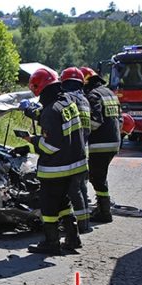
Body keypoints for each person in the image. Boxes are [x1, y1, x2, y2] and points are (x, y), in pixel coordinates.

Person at [21, 68, 87, 255]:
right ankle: (73, 239)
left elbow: (50, 146)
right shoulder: (68, 103)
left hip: (56, 169)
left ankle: (51, 243)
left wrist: (32, 139)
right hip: (74, 165)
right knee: (64, 203)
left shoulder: (50, 111)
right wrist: (36, 115)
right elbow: (61, 129)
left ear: (38, 87)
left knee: (49, 206)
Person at [80, 66, 122, 224]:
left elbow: (95, 122)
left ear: (86, 82)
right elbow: (120, 118)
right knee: (99, 176)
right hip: (114, 141)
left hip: (101, 144)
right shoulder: (109, 93)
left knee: (96, 177)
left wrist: (79, 129)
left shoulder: (93, 95)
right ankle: (103, 208)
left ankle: (104, 212)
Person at [61, 67, 92, 233]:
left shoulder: (69, 98)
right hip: (82, 148)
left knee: (73, 190)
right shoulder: (84, 100)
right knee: (82, 188)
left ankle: (79, 226)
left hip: (71, 151)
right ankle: (85, 223)